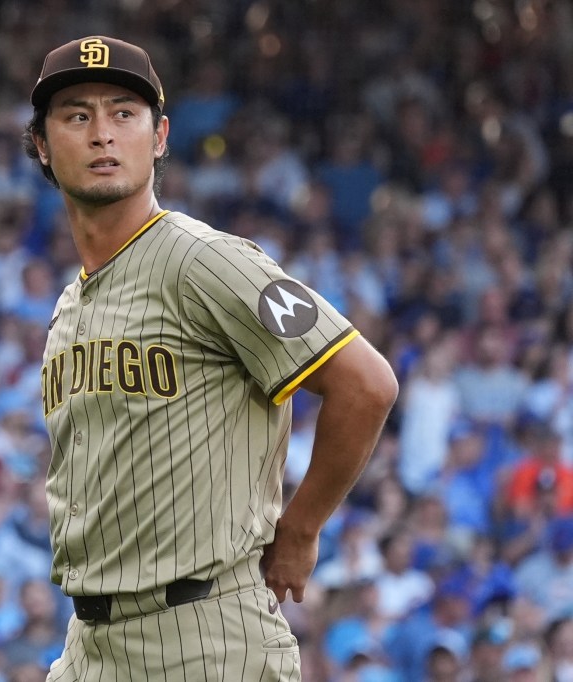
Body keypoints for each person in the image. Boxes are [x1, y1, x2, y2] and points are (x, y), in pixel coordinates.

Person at [22, 35, 398, 679]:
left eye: (123, 113)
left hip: (205, 636)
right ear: (42, 145)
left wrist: (302, 529)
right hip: (91, 643)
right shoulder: (70, 303)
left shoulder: (205, 260)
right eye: (77, 116)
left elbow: (366, 384)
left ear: (160, 136)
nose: (102, 135)